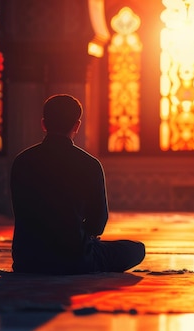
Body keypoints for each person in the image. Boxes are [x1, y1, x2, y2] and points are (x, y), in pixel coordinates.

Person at [10, 94, 145, 274]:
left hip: (28, 259)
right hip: (75, 259)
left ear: (44, 124)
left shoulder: (22, 161)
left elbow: (21, 212)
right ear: (77, 126)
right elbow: (98, 223)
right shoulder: (89, 164)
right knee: (136, 249)